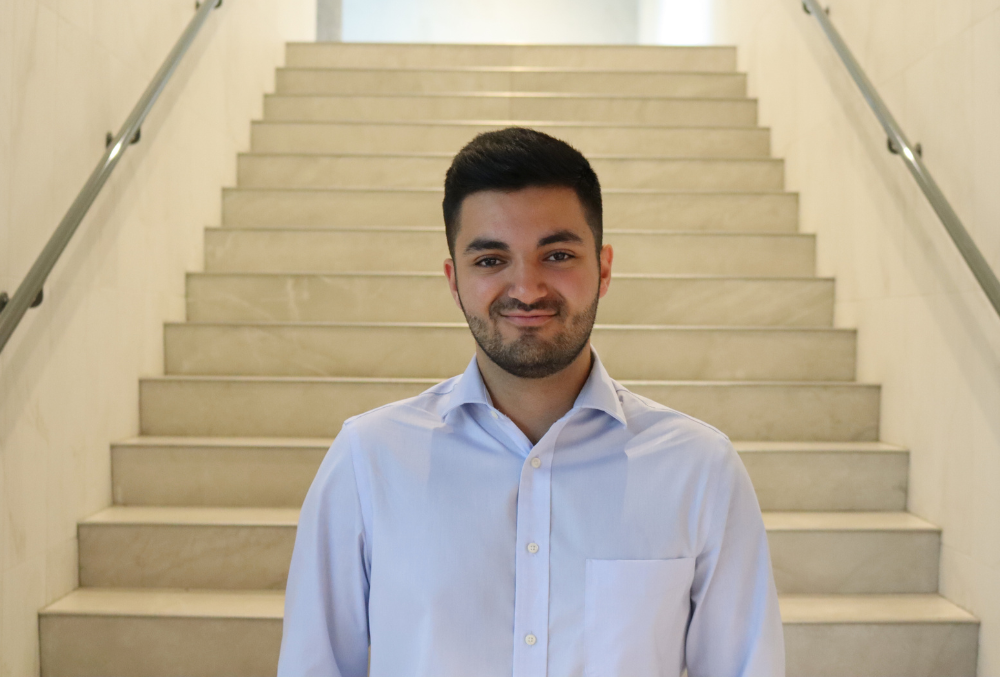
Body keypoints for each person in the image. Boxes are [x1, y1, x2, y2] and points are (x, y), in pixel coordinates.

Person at [277, 127, 785, 677]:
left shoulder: (698, 468)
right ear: (453, 280)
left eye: (558, 254)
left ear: (605, 269)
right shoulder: (368, 460)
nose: (527, 288)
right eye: (491, 260)